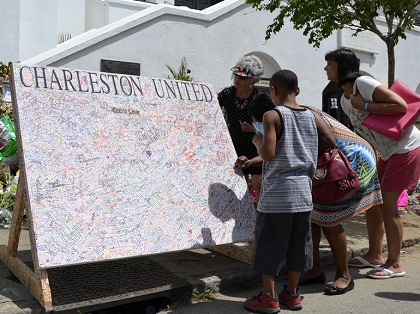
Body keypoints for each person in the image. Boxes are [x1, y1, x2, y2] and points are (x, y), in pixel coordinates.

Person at [324, 48, 420, 279]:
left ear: (343, 66)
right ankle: (375, 255)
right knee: (373, 202)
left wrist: (365, 106)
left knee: (388, 206)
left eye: (330, 64)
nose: (326, 69)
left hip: (405, 147)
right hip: (386, 153)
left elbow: (401, 106)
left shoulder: (363, 84)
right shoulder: (345, 99)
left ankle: (395, 263)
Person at [244, 70, 318, 313]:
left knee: (270, 244)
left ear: (273, 90)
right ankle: (293, 294)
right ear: (296, 90)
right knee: (298, 244)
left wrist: (258, 139)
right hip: (304, 193)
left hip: (278, 194)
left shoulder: (271, 115)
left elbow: (268, 154)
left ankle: (269, 297)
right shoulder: (311, 115)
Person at [299, 105, 383, 294]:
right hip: (332, 161)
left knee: (329, 217)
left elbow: (328, 141)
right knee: (312, 216)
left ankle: (344, 275)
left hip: (353, 162)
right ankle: (314, 269)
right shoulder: (289, 113)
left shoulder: (304, 113)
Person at [218, 55, 264, 203]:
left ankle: (259, 215)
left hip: (255, 146)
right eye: (236, 75)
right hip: (234, 145)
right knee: (237, 183)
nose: (237, 79)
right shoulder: (227, 94)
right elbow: (212, 111)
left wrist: (253, 129)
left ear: (253, 80)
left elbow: (270, 125)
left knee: (258, 183)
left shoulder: (259, 98)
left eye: (243, 78)